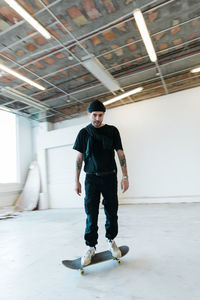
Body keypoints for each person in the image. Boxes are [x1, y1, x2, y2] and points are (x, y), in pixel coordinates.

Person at [73, 99, 129, 266]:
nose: (97, 118)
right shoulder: (84, 133)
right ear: (89, 114)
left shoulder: (112, 131)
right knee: (91, 213)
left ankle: (111, 240)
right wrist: (76, 181)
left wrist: (125, 176)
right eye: (94, 115)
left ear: (104, 114)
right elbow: (79, 158)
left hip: (110, 176)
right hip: (91, 178)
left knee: (112, 211)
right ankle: (91, 247)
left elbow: (120, 154)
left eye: (100, 115)